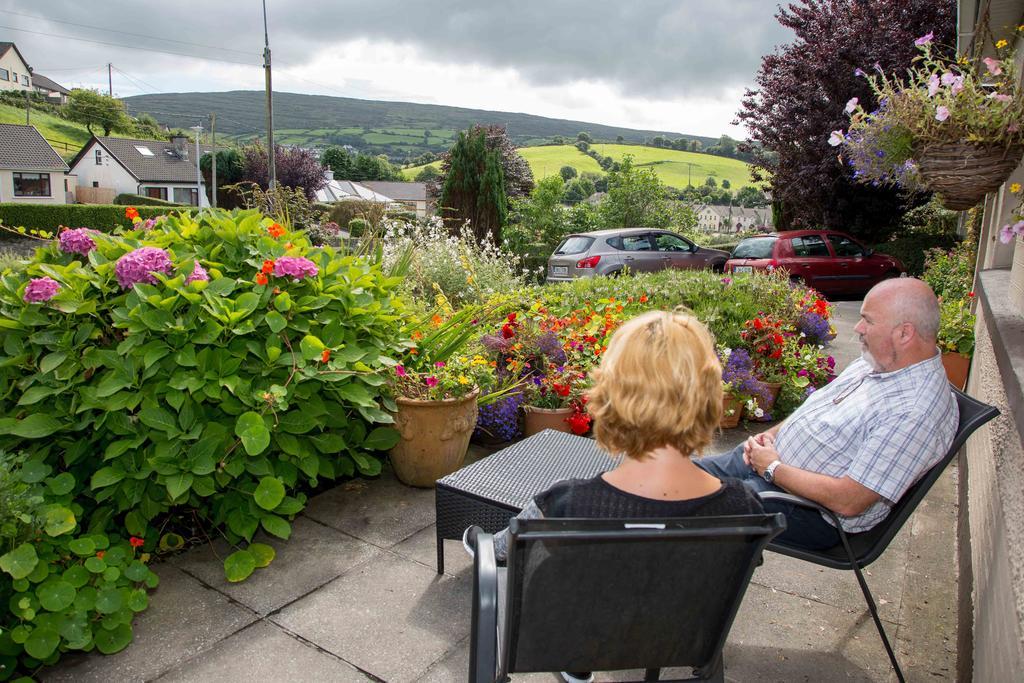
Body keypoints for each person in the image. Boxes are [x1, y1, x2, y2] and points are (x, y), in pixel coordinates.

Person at [465, 310, 764, 683]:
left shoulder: (568, 503)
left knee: (496, 554)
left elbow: (503, 550)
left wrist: (484, 546)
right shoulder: (744, 508)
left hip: (579, 634)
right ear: (710, 399)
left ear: (611, 397)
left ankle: (577, 661)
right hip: (671, 633)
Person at [696, 277, 959, 550]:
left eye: (868, 320)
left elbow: (849, 500)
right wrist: (768, 436)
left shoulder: (914, 411)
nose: (857, 328)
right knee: (668, 475)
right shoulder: (880, 363)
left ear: (904, 334)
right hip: (768, 463)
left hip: (805, 508)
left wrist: (773, 468)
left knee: (685, 505)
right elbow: (813, 409)